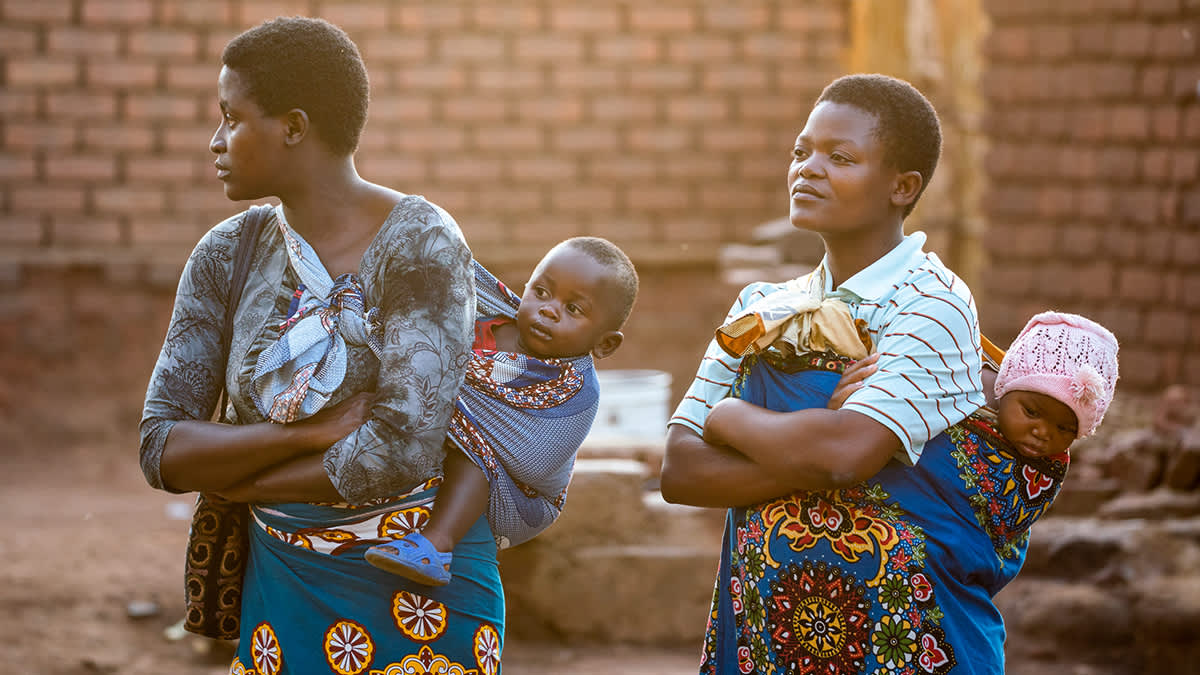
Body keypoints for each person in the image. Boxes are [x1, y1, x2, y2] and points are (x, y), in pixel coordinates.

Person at [659, 73, 1072, 674]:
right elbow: (681, 471)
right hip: (771, 647)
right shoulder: (758, 308)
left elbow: (846, 456)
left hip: (911, 645)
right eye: (802, 151)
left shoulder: (933, 303)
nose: (808, 168)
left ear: (902, 188)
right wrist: (819, 426)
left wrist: (731, 416)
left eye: (841, 157)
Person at [139, 17, 502, 674]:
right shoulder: (228, 255)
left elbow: (399, 450)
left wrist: (235, 475)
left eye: (231, 117)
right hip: (280, 594)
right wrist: (302, 437)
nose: (214, 141)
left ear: (294, 127)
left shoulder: (421, 244)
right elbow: (161, 446)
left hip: (418, 599)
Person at [363, 237, 639, 585]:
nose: (549, 309)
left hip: (516, 493)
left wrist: (449, 408)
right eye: (541, 292)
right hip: (430, 444)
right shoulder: (482, 315)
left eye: (573, 309)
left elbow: (533, 459)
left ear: (605, 343)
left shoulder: (576, 392)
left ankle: (435, 544)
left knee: (475, 457)